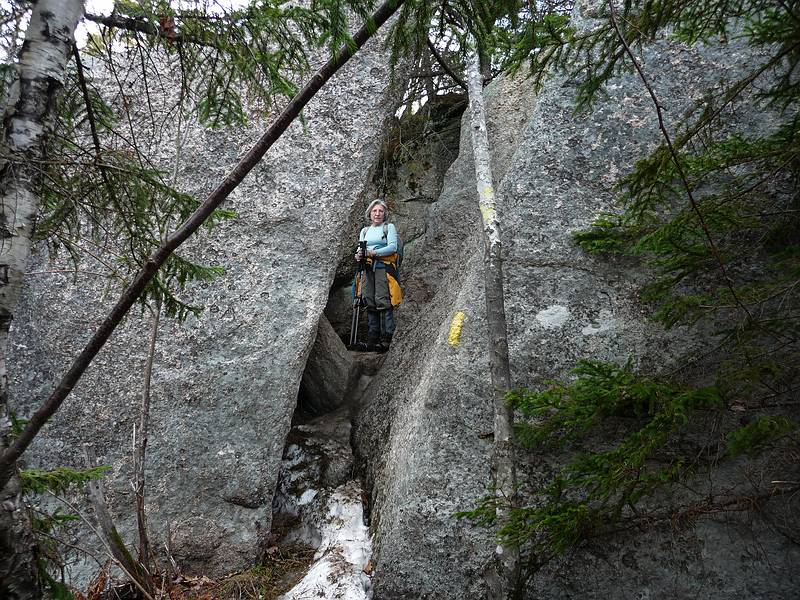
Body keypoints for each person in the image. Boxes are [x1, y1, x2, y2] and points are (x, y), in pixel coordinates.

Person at [354, 198, 402, 351]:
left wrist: (374, 252)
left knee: (384, 301)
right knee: (369, 300)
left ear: (384, 213)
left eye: (380, 211)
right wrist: (358, 255)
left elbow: (392, 247)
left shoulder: (389, 228)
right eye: (374, 211)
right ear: (370, 213)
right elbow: (360, 249)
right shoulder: (365, 231)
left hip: (383, 267)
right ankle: (372, 338)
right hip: (367, 268)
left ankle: (386, 338)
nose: (377, 213)